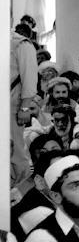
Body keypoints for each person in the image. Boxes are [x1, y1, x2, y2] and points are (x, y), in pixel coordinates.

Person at [11, 28, 39, 186]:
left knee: (16, 153)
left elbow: (29, 78)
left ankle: (21, 190)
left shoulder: (21, 44)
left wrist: (25, 108)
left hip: (12, 105)